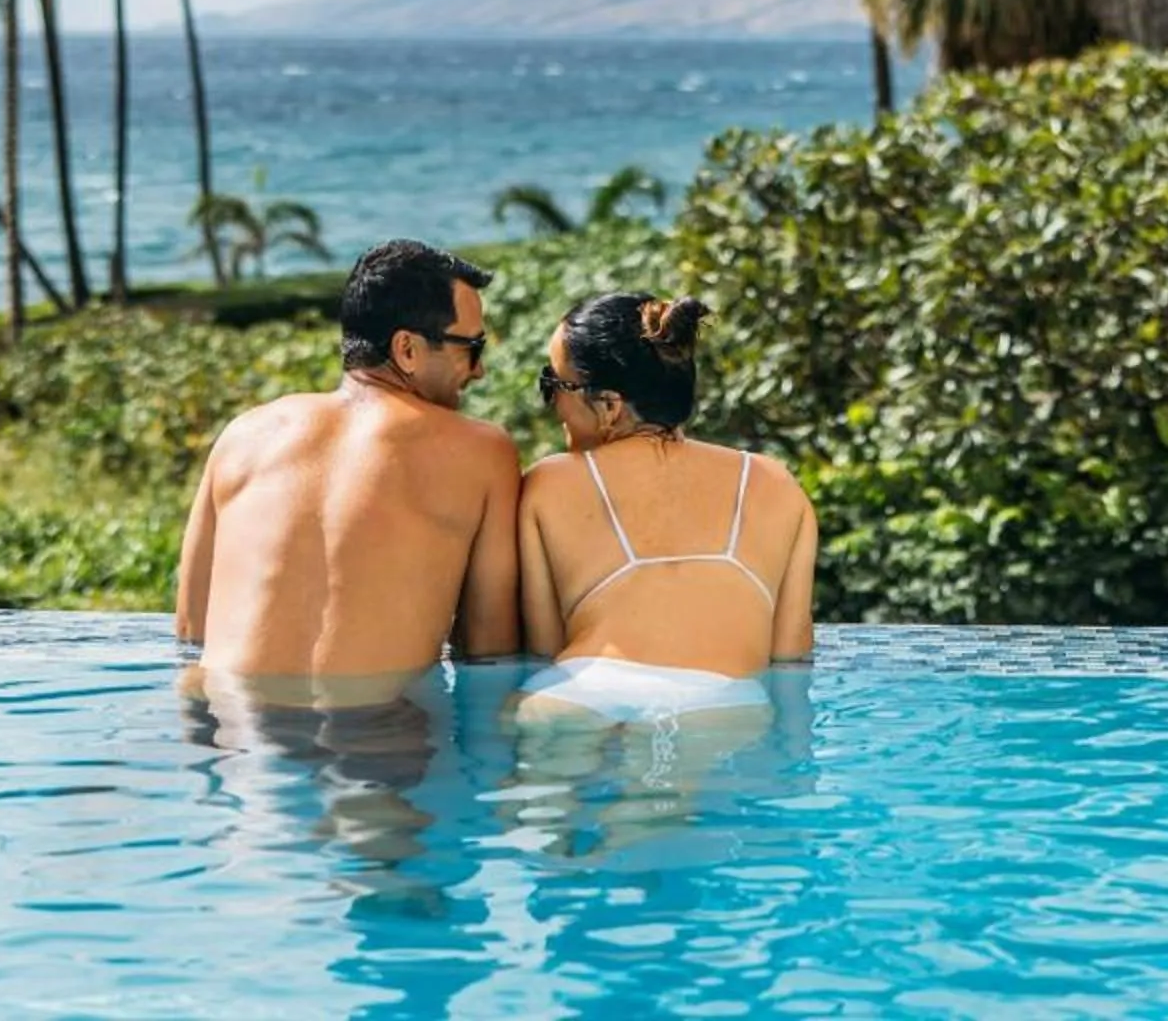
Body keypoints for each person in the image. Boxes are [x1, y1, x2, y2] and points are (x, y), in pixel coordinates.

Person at [175, 239, 523, 705]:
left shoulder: (242, 435)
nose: (478, 371)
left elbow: (193, 629)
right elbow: (489, 652)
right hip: (377, 744)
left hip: (241, 742)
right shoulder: (482, 451)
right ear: (407, 349)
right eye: (472, 347)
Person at [515, 292, 816, 723]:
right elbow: (790, 662)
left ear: (609, 406)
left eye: (554, 385)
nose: (551, 404)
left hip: (581, 695)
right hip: (723, 705)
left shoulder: (550, 481)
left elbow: (543, 650)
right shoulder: (777, 484)